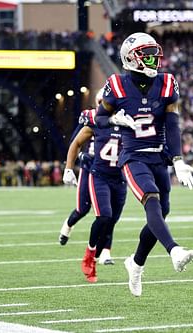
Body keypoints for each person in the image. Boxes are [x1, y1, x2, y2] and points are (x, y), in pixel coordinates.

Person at [95, 32, 193, 297]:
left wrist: (178, 160)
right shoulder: (116, 84)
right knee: (151, 200)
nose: (154, 59)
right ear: (131, 58)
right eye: (147, 54)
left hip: (159, 157)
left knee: (162, 211)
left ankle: (136, 263)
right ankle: (174, 250)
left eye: (155, 53)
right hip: (133, 156)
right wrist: (115, 119)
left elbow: (173, 125)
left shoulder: (167, 83)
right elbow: (99, 119)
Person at [63, 105, 127, 283]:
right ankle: (89, 255)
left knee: (111, 221)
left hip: (120, 178)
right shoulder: (97, 120)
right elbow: (76, 142)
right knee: (104, 216)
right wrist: (69, 168)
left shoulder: (130, 121)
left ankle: (96, 253)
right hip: (99, 175)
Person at [60, 90, 115, 265]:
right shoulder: (90, 117)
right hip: (89, 168)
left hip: (109, 171)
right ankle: (67, 226)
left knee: (108, 214)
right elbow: (76, 141)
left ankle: (105, 251)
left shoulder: (121, 119)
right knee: (83, 209)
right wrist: (79, 159)